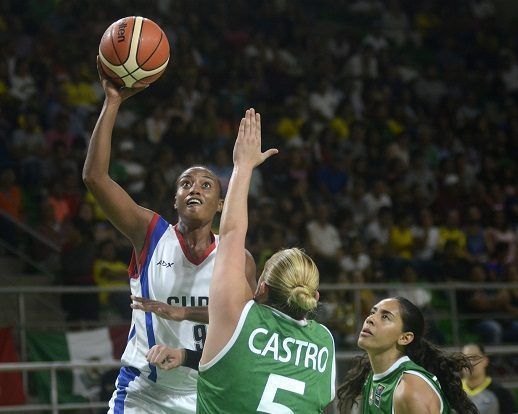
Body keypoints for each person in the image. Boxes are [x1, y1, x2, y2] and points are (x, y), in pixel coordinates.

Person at [83, 60, 256, 413]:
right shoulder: (150, 234)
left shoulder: (239, 258)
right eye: (185, 183)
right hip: (143, 392)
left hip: (205, 395)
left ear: (221, 204)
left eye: (206, 184)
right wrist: (112, 102)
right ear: (174, 199)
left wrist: (183, 313)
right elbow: (95, 178)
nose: (195, 188)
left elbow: (243, 324)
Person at [143, 109, 337, 413]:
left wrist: (242, 166)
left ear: (259, 289)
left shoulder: (239, 317)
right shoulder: (323, 342)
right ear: (313, 297)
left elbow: (232, 232)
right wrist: (184, 355)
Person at [337, 296, 478, 413]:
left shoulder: (409, 390)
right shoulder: (373, 376)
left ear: (405, 338)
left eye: (385, 317)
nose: (370, 319)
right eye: (373, 312)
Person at [461, 343, 517, 414]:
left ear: (485, 360)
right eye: (465, 359)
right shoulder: (450, 391)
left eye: (474, 358)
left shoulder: (502, 394)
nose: (470, 363)